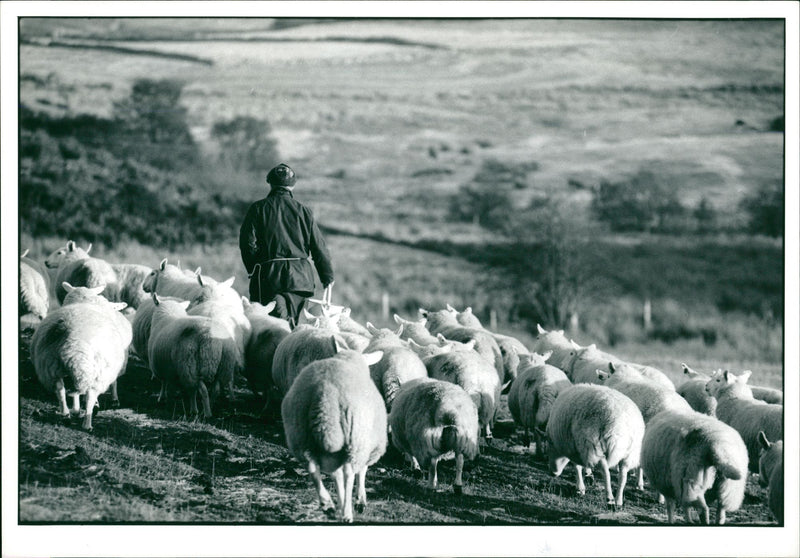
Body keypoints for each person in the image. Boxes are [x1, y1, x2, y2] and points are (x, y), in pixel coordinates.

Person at [239, 163, 334, 327]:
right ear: (293, 185)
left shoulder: (257, 209)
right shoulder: (304, 211)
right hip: (301, 282)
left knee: (273, 331)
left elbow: (247, 244)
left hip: (268, 280)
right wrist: (327, 277)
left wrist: (255, 269)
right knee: (295, 330)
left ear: (270, 183)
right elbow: (319, 247)